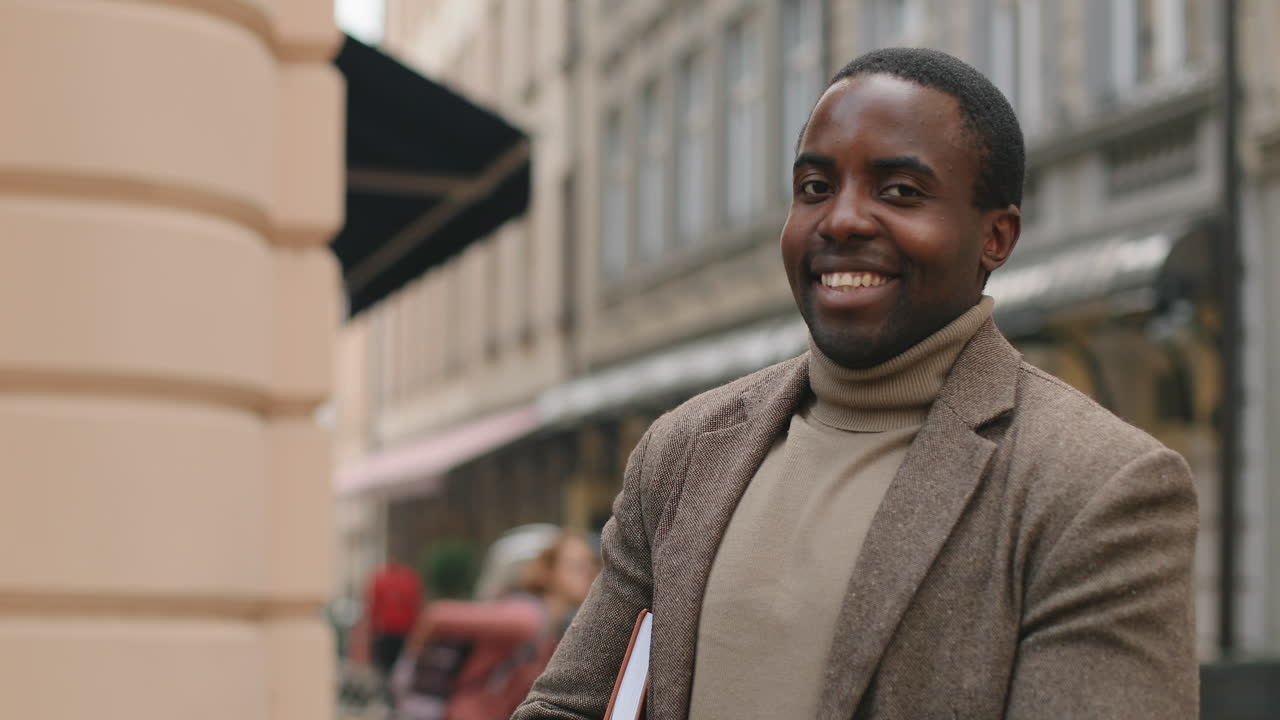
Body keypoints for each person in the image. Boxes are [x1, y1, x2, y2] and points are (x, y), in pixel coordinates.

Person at [514, 47, 1198, 720]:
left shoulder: (1095, 486)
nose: (841, 220)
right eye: (815, 188)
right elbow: (567, 706)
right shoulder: (684, 452)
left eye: (900, 191)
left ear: (997, 236)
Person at [392, 532, 599, 720]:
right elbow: (438, 615)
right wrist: (408, 665)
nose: (588, 573)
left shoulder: (551, 623)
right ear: (548, 573)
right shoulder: (526, 618)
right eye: (577, 566)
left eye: (591, 564)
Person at [363, 555, 424, 681]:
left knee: (385, 668)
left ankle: (387, 687)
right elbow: (415, 606)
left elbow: (373, 607)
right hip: (403, 631)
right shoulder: (409, 579)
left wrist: (372, 631)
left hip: (386, 631)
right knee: (401, 667)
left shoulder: (380, 579)